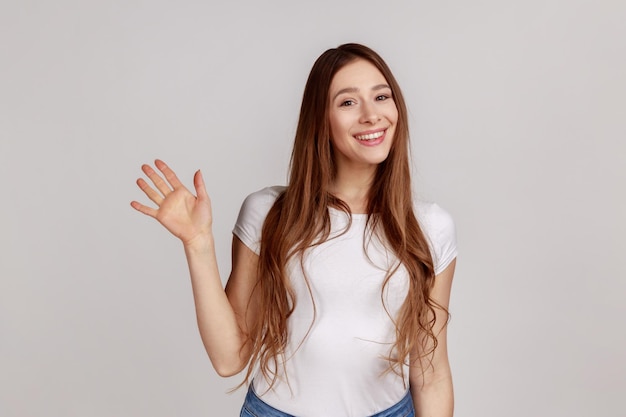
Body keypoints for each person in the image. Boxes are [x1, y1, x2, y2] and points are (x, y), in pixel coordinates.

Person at [131, 43, 457, 417]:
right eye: (348, 102)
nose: (371, 115)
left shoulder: (431, 227)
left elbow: (431, 373)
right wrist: (198, 243)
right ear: (321, 120)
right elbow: (229, 358)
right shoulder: (269, 213)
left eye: (381, 97)